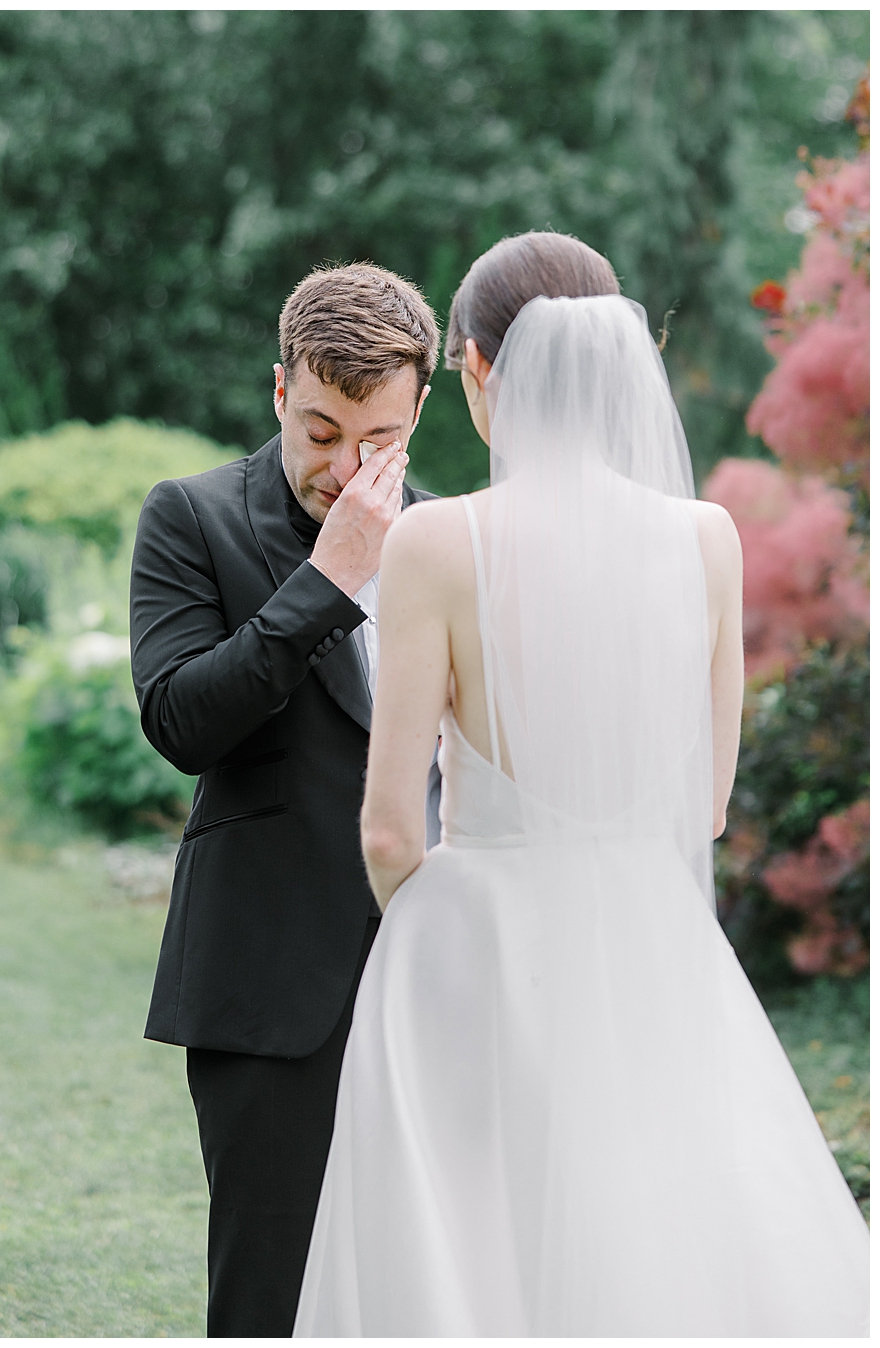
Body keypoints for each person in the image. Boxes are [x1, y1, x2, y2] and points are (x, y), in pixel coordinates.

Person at [294, 233, 870, 1335]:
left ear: (473, 366)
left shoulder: (439, 541)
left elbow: (385, 830)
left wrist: (434, 942)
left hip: (475, 957)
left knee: (472, 1259)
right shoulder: (705, 539)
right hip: (653, 946)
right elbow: (703, 805)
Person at [129, 263, 443, 1336]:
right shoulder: (190, 517)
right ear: (278, 391)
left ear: (420, 414)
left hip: (439, 974)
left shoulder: (455, 540)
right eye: (320, 431)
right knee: (270, 1297)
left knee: (424, 1287)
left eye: (378, 441)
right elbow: (180, 720)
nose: (346, 467)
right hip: (265, 981)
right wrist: (330, 581)